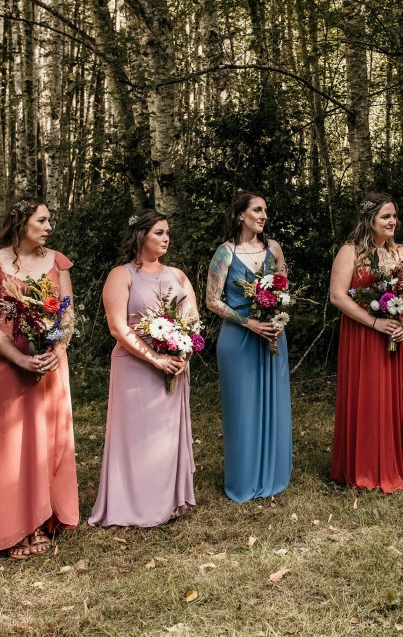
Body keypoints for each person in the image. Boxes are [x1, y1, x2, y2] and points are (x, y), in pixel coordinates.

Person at [0, 197, 79, 558]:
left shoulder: (58, 262)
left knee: (47, 439)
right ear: (21, 223)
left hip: (48, 360)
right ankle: (13, 527)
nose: (49, 227)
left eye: (49, 221)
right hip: (7, 363)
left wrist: (56, 351)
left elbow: (67, 315)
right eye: (42, 220)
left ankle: (44, 517)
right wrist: (19, 358)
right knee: (10, 444)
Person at [89, 209, 197, 526]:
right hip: (135, 365)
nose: (166, 238)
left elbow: (192, 321)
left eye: (167, 233)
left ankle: (168, 502)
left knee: (165, 437)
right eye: (159, 233)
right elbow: (118, 328)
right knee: (136, 435)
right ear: (141, 236)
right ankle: (134, 504)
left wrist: (182, 354)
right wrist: (156, 357)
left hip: (175, 364)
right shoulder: (121, 275)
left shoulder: (177, 275)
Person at [329, 192, 403, 492]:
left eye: (394, 216)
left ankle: (393, 464)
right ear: (370, 220)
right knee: (367, 397)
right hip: (363, 336)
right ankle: (364, 467)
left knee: (392, 399)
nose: (392, 221)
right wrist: (374, 322)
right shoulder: (350, 251)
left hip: (395, 335)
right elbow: (337, 296)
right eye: (386, 216)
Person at [206, 191, 292, 502]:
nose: (264, 215)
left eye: (266, 210)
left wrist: (279, 318)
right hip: (239, 339)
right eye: (257, 209)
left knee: (274, 403)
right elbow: (212, 300)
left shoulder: (274, 249)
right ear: (240, 214)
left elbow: (284, 290)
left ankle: (273, 473)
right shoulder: (225, 253)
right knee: (242, 409)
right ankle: (244, 478)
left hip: (272, 336)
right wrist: (248, 322)